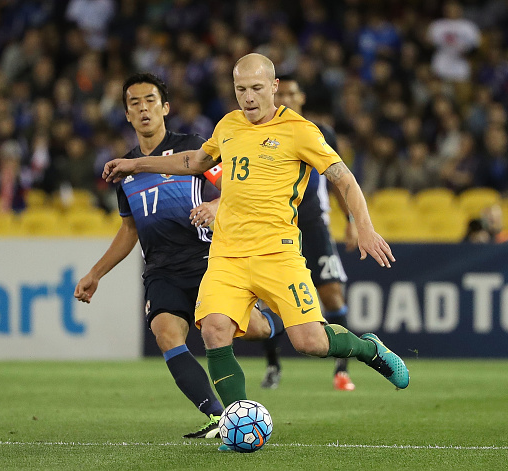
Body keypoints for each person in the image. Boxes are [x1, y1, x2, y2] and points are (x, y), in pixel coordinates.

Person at [102, 55, 409, 449]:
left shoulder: (300, 131)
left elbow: (343, 178)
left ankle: (369, 349)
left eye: (256, 89)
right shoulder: (227, 125)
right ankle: (237, 427)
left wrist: (363, 226)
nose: (248, 98)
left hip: (277, 254)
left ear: (274, 86)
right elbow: (195, 161)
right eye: (240, 90)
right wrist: (134, 164)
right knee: (214, 330)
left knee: (310, 343)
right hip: (227, 254)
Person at [75, 73, 283, 439]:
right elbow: (130, 230)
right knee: (165, 332)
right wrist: (95, 273)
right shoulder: (125, 170)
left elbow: (237, 186)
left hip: (207, 261)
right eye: (134, 103)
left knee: (253, 329)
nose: (143, 108)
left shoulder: (194, 149)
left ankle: (272, 322)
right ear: (126, 114)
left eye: (150, 100)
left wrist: (217, 206)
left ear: (165, 107)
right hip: (161, 269)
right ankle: (220, 418)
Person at [190, 75, 358, 391]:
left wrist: (351, 220)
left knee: (331, 293)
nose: (290, 99)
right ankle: (273, 367)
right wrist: (218, 202)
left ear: (301, 98)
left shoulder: (315, 133)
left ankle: (342, 368)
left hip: (311, 223)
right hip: (267, 230)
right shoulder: (248, 131)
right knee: (266, 303)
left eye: (296, 94)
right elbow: (230, 179)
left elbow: (338, 180)